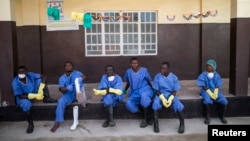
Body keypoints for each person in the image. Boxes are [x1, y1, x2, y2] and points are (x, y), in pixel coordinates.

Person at [11, 65, 57, 134]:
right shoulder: (15, 82)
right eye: (19, 72)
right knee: (26, 104)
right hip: (24, 98)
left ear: (26, 72)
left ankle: (47, 98)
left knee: (40, 80)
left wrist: (41, 86)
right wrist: (34, 96)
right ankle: (30, 124)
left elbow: (44, 76)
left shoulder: (30, 75)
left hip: (33, 91)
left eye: (23, 72)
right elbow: (20, 96)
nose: (21, 74)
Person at [50, 61, 86, 132]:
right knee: (60, 101)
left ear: (72, 67)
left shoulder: (77, 73)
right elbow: (61, 89)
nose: (68, 67)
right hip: (68, 94)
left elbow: (84, 76)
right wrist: (67, 88)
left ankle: (76, 121)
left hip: (79, 92)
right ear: (64, 67)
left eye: (70, 65)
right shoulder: (62, 78)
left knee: (82, 101)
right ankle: (57, 122)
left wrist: (80, 79)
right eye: (66, 65)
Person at [152, 62, 185, 134]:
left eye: (164, 69)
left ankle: (182, 124)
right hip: (160, 94)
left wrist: (170, 99)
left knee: (178, 105)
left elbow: (175, 90)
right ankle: (156, 125)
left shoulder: (174, 77)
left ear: (168, 69)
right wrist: (163, 98)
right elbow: (156, 90)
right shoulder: (157, 76)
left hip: (171, 94)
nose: (162, 70)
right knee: (155, 104)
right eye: (161, 68)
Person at [123, 57, 154, 128]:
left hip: (145, 89)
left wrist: (153, 89)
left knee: (144, 98)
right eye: (132, 63)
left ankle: (145, 120)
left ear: (138, 63)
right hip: (135, 92)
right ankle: (147, 115)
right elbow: (129, 82)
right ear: (130, 64)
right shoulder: (128, 72)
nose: (134, 64)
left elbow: (148, 80)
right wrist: (125, 90)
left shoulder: (144, 70)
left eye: (136, 63)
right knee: (129, 104)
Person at [197, 59, 228, 124]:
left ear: (214, 67)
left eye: (210, 66)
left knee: (224, 101)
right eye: (207, 66)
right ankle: (207, 117)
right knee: (207, 101)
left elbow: (217, 85)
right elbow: (202, 85)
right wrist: (209, 92)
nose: (208, 67)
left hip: (215, 90)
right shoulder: (203, 75)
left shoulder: (217, 75)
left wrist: (215, 92)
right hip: (205, 90)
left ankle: (221, 116)